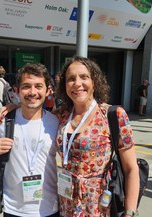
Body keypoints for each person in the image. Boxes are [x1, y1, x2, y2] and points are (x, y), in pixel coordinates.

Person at [56, 56, 139, 216]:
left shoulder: (113, 114)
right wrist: (14, 106)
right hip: (66, 202)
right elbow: (35, 114)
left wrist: (129, 212)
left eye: (84, 77)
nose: (77, 83)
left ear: (94, 82)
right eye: (71, 79)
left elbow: (131, 169)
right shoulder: (62, 115)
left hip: (99, 204)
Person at [0, 63, 59, 217]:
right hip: (13, 209)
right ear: (17, 91)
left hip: (50, 207)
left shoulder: (57, 122)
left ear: (48, 90)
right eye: (26, 86)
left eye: (38, 86)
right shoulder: (5, 119)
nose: (32, 92)